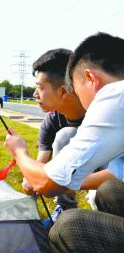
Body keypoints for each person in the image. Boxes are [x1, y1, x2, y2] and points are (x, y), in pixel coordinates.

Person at [4, 32, 124, 253]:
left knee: (68, 227)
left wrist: (19, 153)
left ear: (90, 78)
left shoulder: (115, 97)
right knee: (111, 190)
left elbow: (48, 185)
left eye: (75, 88)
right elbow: (119, 173)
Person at [25, 49, 86, 225]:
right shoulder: (52, 120)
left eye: (40, 87)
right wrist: (32, 179)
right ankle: (64, 208)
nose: (35, 94)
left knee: (66, 136)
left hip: (113, 178)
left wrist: (20, 152)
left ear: (63, 91)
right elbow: (41, 164)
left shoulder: (100, 113)